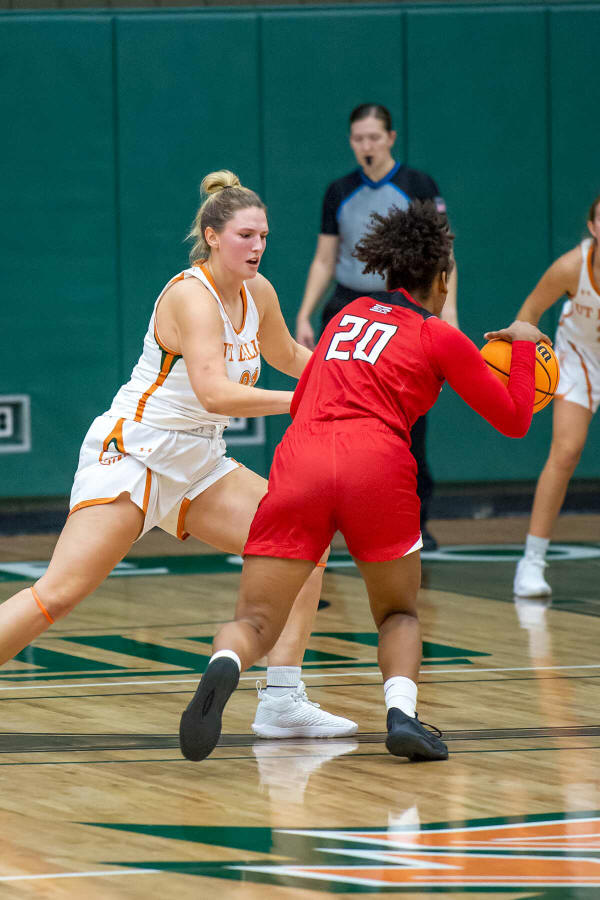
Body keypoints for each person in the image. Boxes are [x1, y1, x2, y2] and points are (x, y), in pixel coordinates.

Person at [178, 201, 548, 763]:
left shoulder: (344, 317)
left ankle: (224, 663)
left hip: (302, 456)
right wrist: (522, 345)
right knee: (397, 613)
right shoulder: (438, 335)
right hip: (375, 464)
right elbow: (516, 419)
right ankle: (401, 715)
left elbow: (308, 392)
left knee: (254, 620)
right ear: (441, 278)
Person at [0, 170, 357, 740]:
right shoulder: (190, 296)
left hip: (199, 459)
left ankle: (283, 700)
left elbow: (288, 353)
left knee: (305, 539)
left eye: (264, 236)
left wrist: (351, 378)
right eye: (245, 235)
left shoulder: (258, 291)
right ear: (212, 236)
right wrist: (303, 402)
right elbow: (215, 393)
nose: (258, 247)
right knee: (60, 592)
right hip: (136, 452)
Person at [295, 103, 459, 552]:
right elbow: (325, 259)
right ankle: (330, 515)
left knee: (409, 416)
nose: (365, 145)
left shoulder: (418, 185)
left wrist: (448, 315)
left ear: (391, 138)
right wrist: (306, 312)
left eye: (373, 137)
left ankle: (416, 522)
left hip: (404, 304)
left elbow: (444, 257)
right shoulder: (339, 191)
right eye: (358, 138)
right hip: (350, 304)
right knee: (334, 410)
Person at [513, 194, 600, 597]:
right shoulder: (570, 267)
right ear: (593, 227)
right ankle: (531, 562)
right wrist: (522, 368)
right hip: (579, 359)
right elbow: (529, 313)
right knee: (566, 452)